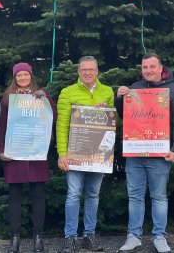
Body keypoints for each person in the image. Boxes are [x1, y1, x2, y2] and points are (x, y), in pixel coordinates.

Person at [114, 53, 174, 253]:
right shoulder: (134, 89)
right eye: (145, 67)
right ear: (141, 69)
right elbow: (123, 115)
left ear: (161, 67)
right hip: (135, 154)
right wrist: (120, 97)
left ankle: (159, 236)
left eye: (152, 67)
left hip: (160, 155)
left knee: (159, 197)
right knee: (135, 196)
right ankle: (134, 236)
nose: (148, 70)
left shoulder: (173, 91)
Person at [0, 62, 57, 253]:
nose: (22, 78)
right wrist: (0, 150)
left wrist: (46, 99)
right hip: (15, 153)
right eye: (19, 76)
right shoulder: (7, 99)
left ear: (31, 77)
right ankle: (15, 238)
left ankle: (38, 237)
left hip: (36, 153)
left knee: (38, 195)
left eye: (26, 75)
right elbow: (1, 126)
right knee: (15, 196)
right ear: (15, 78)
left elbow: (53, 117)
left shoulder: (41, 95)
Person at [55, 56, 115, 253]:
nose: (88, 73)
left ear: (97, 71)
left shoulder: (107, 92)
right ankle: (70, 237)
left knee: (93, 194)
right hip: (75, 153)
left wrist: (107, 111)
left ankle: (90, 235)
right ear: (78, 72)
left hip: (98, 156)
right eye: (84, 70)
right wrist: (62, 153)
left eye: (91, 69)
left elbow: (115, 123)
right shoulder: (67, 92)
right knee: (73, 194)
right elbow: (62, 125)